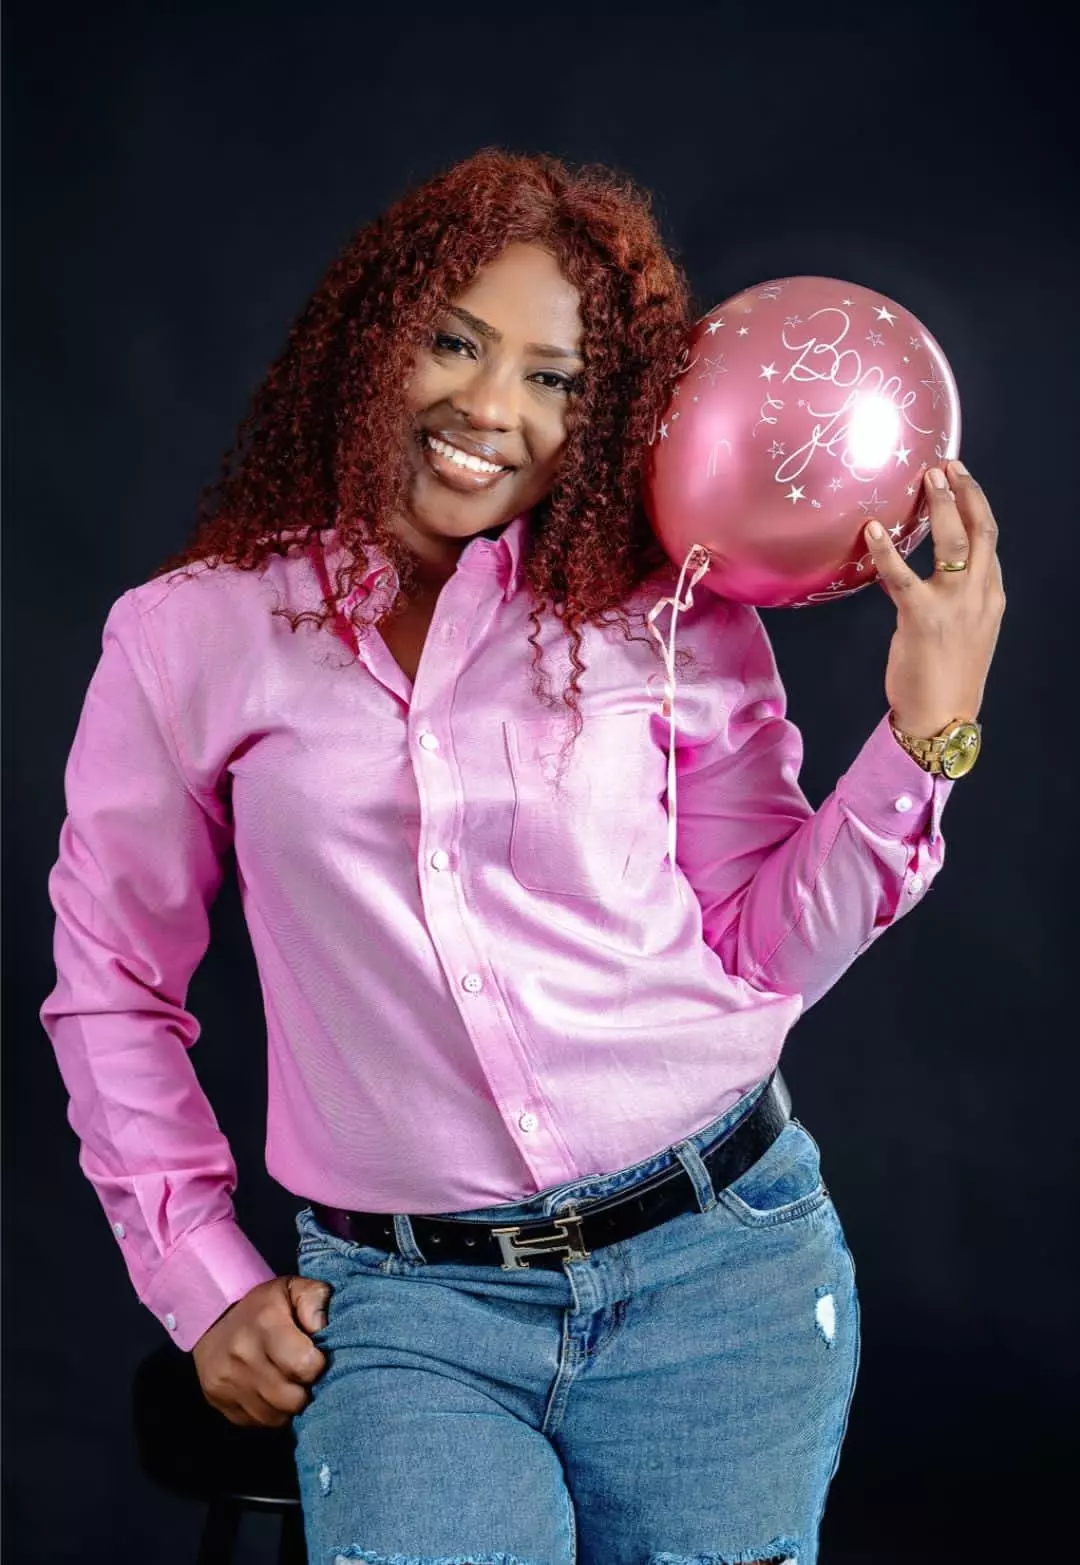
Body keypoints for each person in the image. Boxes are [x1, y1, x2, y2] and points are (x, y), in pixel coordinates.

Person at [40, 149, 1004, 1565]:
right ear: (376, 336)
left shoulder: (667, 611)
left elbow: (760, 949)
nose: (493, 409)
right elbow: (112, 986)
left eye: (556, 377)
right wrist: (203, 1277)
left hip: (722, 1267)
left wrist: (924, 736)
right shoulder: (189, 636)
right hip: (409, 1311)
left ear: (604, 411)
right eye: (455, 343)